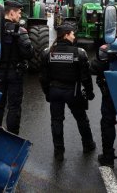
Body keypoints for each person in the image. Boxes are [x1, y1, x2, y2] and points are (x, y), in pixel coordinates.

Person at [39, 24, 96, 162]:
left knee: (56, 121)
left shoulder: (48, 52)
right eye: (72, 34)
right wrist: (89, 93)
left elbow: (43, 77)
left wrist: (47, 92)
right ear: (65, 35)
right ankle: (88, 145)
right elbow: (86, 77)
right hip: (73, 92)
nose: (74, 36)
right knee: (82, 119)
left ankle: (59, 152)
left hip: (55, 91)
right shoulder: (79, 53)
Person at [0, 0, 34, 135]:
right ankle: (12, 136)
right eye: (19, 13)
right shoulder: (20, 30)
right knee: (14, 107)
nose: (20, 16)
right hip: (14, 74)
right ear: (11, 13)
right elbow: (28, 53)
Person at [90, 44, 117, 168]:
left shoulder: (107, 49)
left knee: (107, 123)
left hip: (110, 94)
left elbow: (93, 68)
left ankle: (108, 157)